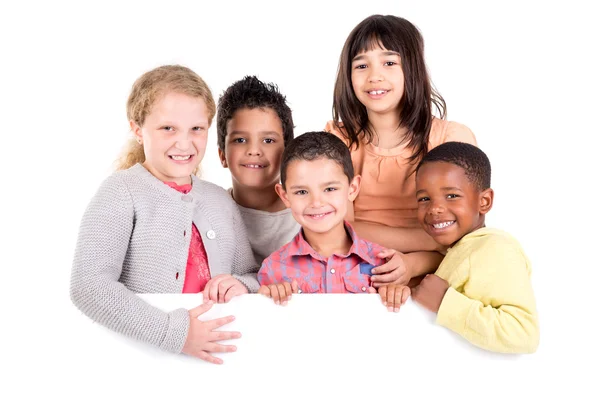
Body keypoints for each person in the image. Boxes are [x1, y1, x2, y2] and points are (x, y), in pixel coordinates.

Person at [70, 65, 259, 364]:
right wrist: (175, 334)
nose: (184, 143)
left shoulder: (219, 200)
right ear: (137, 129)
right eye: (168, 128)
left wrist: (243, 284)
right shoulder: (121, 192)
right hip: (143, 361)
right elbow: (89, 286)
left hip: (217, 362)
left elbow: (253, 274)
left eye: (196, 129)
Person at [325, 14, 477, 288]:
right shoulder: (338, 141)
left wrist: (413, 262)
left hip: (438, 275)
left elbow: (467, 233)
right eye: (361, 65)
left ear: (413, 69)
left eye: (389, 62)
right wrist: (432, 238)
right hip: (355, 274)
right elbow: (336, 230)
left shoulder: (449, 139)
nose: (374, 76)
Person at [383, 141, 539, 353]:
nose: (435, 208)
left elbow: (523, 334)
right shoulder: (456, 251)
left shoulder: (494, 247)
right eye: (424, 198)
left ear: (484, 201)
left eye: (452, 196)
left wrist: (445, 302)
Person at [257, 131, 401, 309]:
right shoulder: (273, 269)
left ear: (352, 188)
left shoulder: (382, 263)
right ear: (285, 196)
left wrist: (399, 295)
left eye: (330, 189)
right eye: (302, 192)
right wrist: (267, 301)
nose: (316, 202)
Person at [216, 75, 300, 265]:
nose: (254, 150)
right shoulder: (212, 211)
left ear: (288, 153)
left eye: (268, 141)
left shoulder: (307, 214)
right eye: (240, 140)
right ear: (222, 155)